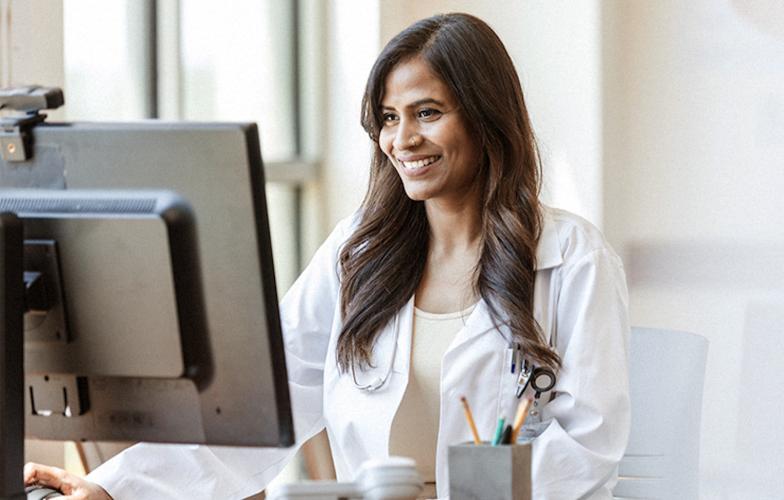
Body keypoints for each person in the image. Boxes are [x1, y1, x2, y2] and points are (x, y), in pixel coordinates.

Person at [24, 12, 630, 500]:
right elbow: (263, 411)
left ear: (486, 118)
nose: (403, 139)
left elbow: (589, 444)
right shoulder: (356, 253)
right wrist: (112, 488)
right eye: (389, 118)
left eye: (428, 113)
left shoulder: (571, 257)